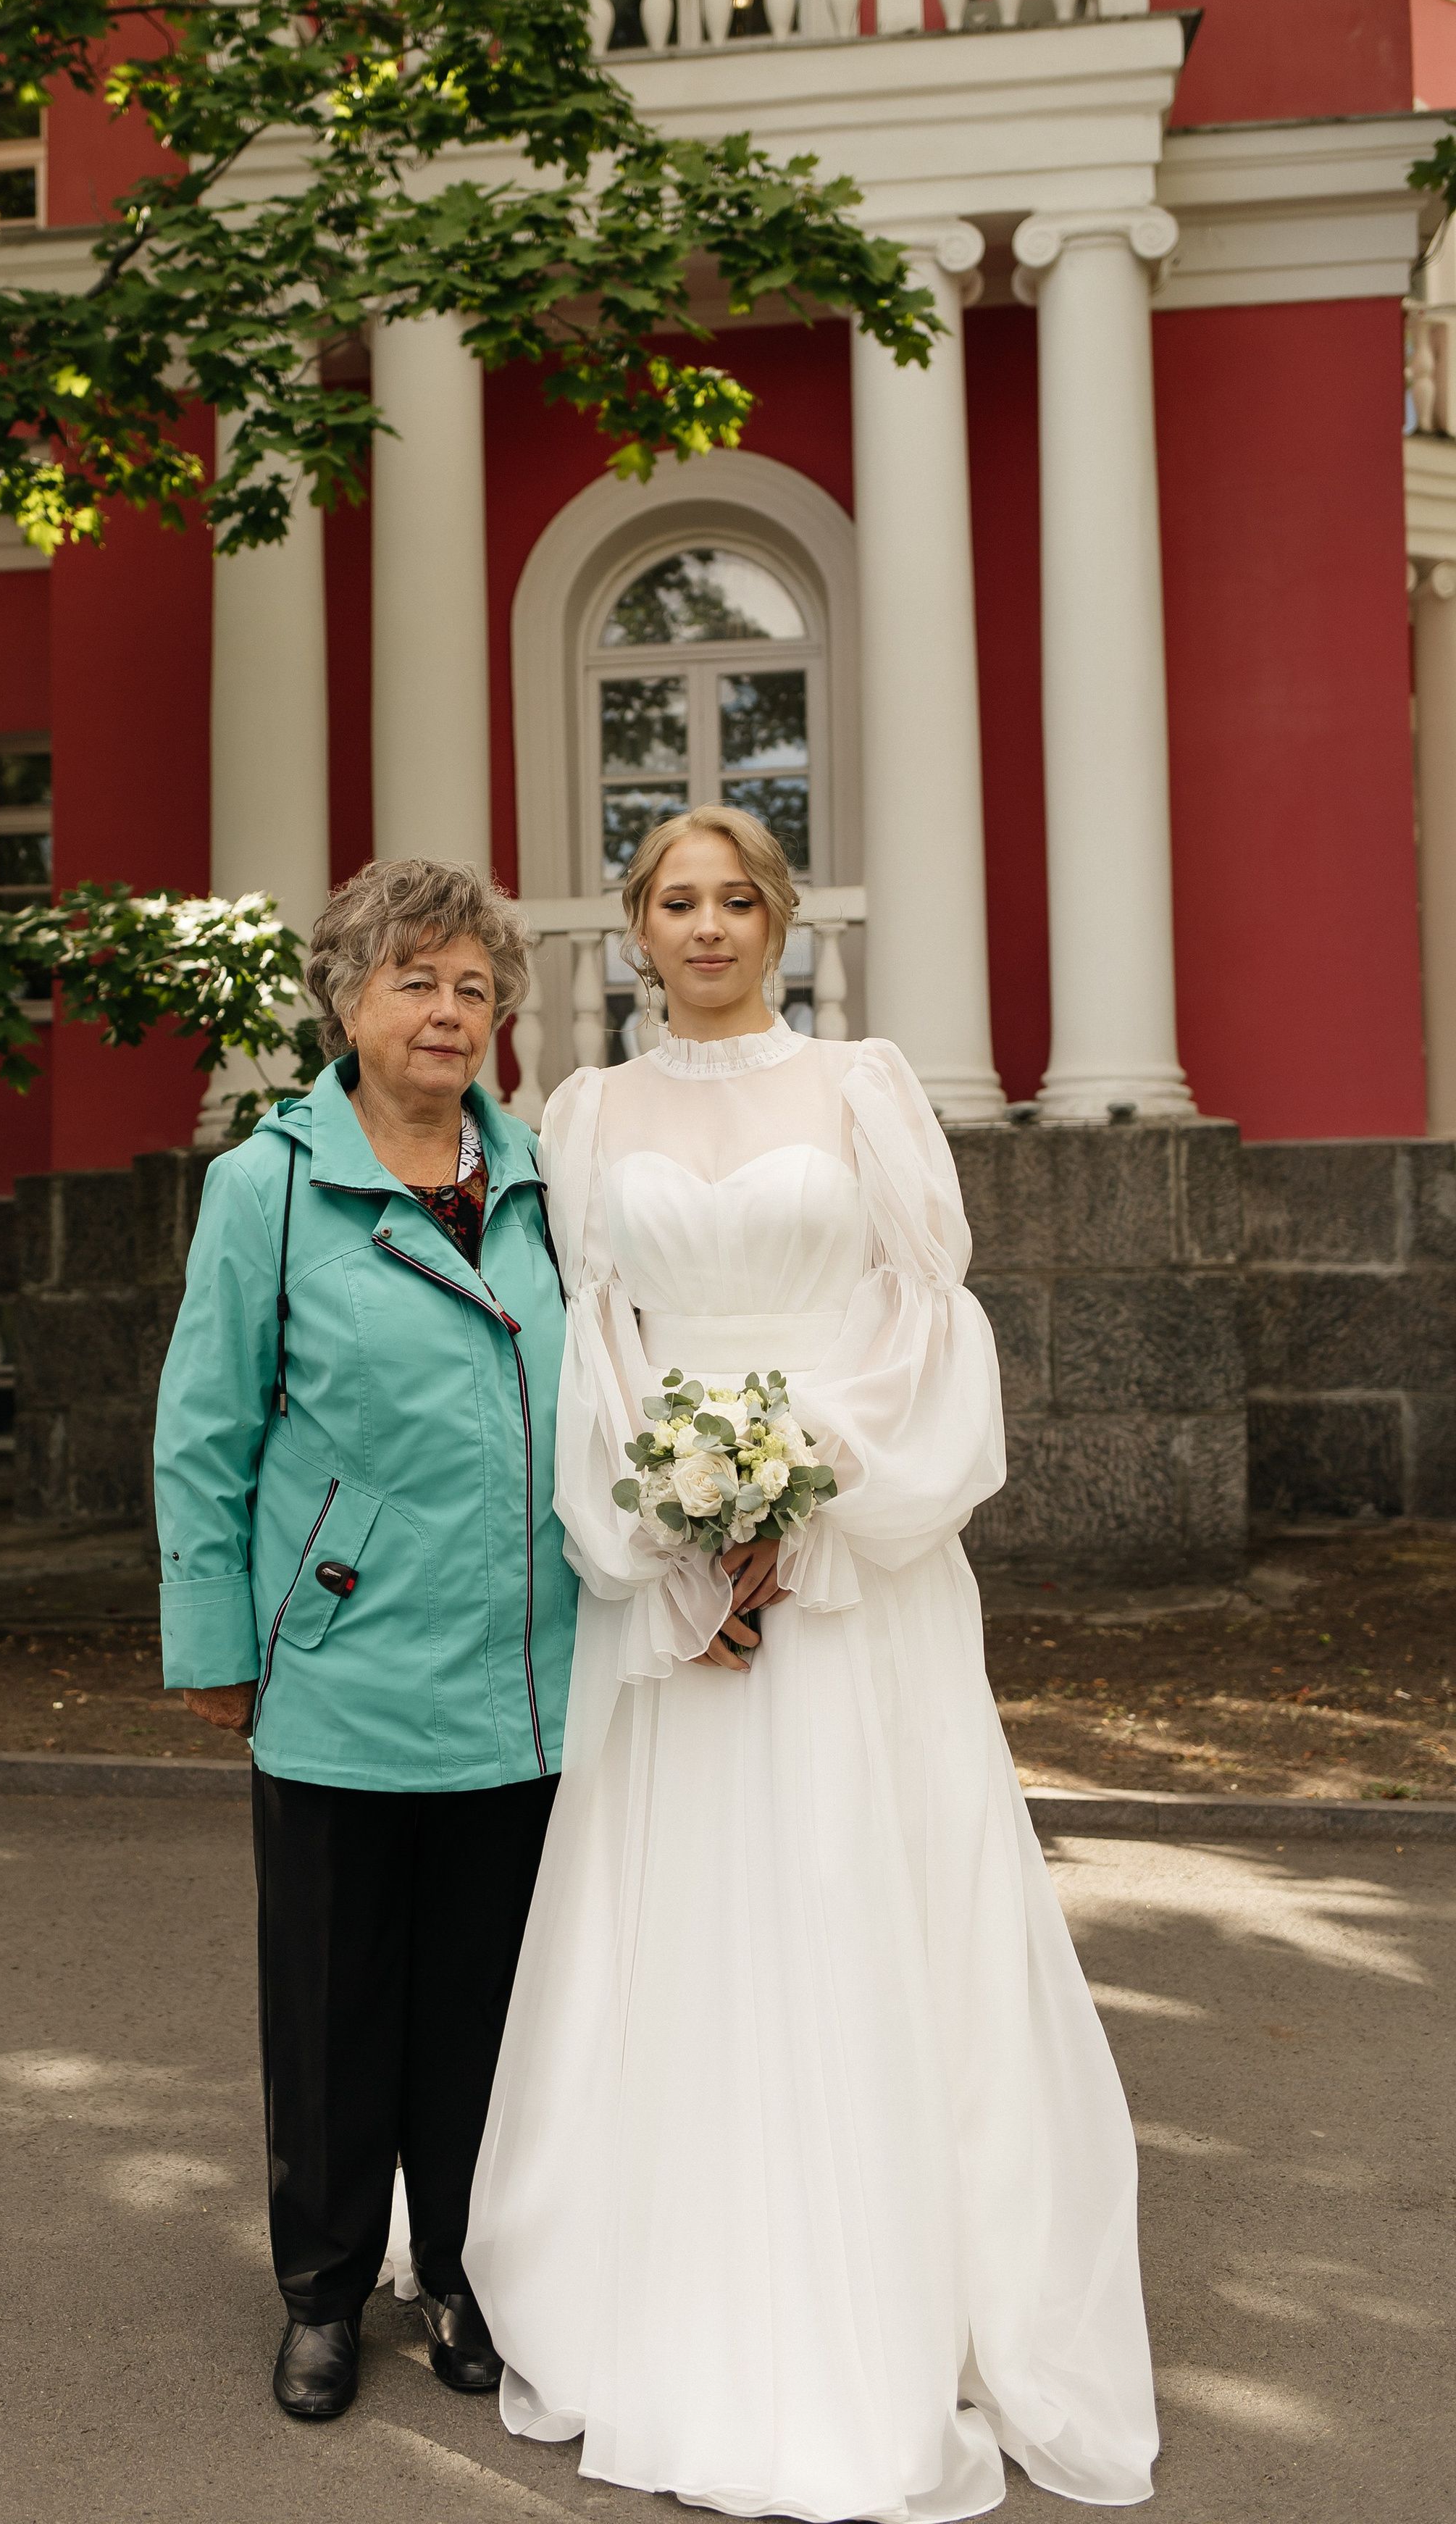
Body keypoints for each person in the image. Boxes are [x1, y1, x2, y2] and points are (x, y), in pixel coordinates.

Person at [465, 806, 1158, 2520]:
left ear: (778, 919)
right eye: (672, 901)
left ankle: (887, 2295)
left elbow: (928, 1323)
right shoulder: (587, 1110)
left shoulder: (862, 1085)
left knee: (858, 1899)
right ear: (632, 927)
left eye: (733, 899)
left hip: (851, 1578)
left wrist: (796, 1497)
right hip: (678, 1587)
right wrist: (676, 1539)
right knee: (689, 1920)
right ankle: (670, 2290)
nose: (704, 926)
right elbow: (599, 1361)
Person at [154, 858, 577, 2424]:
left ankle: (462, 2275)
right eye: (417, 981)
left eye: (474, 987)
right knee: (333, 2006)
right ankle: (323, 2293)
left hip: (530, 1666)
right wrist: (212, 1635)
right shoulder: (267, 1183)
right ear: (345, 1000)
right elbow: (204, 1427)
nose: (450, 1011)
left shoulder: (538, 1173)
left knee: (485, 2004)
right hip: (337, 1659)